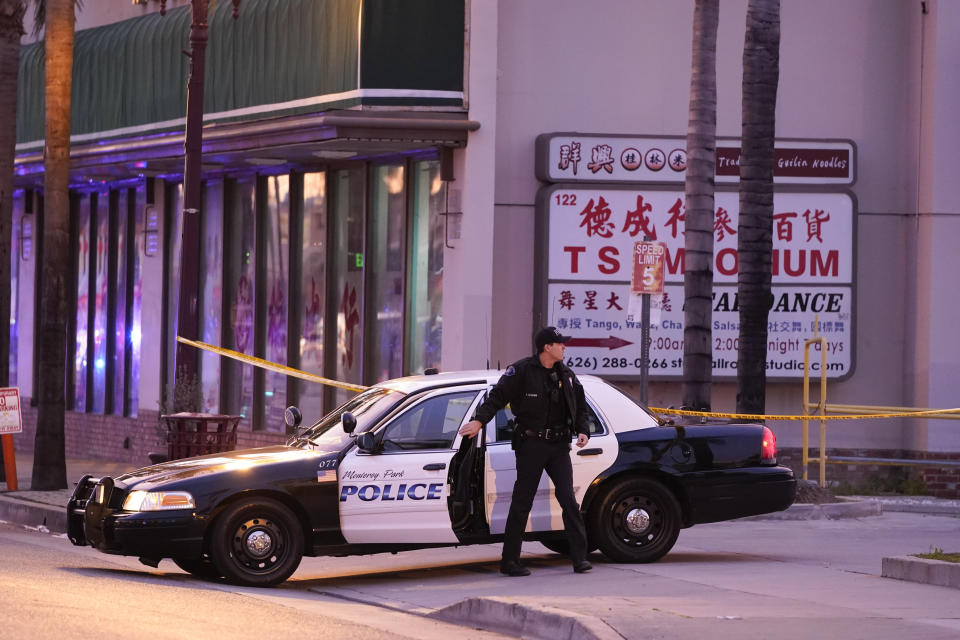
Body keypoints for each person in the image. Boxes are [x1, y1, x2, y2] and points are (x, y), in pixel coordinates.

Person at [458, 326, 593, 576]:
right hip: (531, 445)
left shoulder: (567, 374)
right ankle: (510, 561)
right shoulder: (521, 371)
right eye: (560, 343)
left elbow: (581, 407)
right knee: (522, 502)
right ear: (547, 347)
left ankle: (579, 559)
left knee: (568, 500)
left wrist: (583, 430)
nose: (564, 347)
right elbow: (497, 398)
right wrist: (478, 421)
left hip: (559, 446)